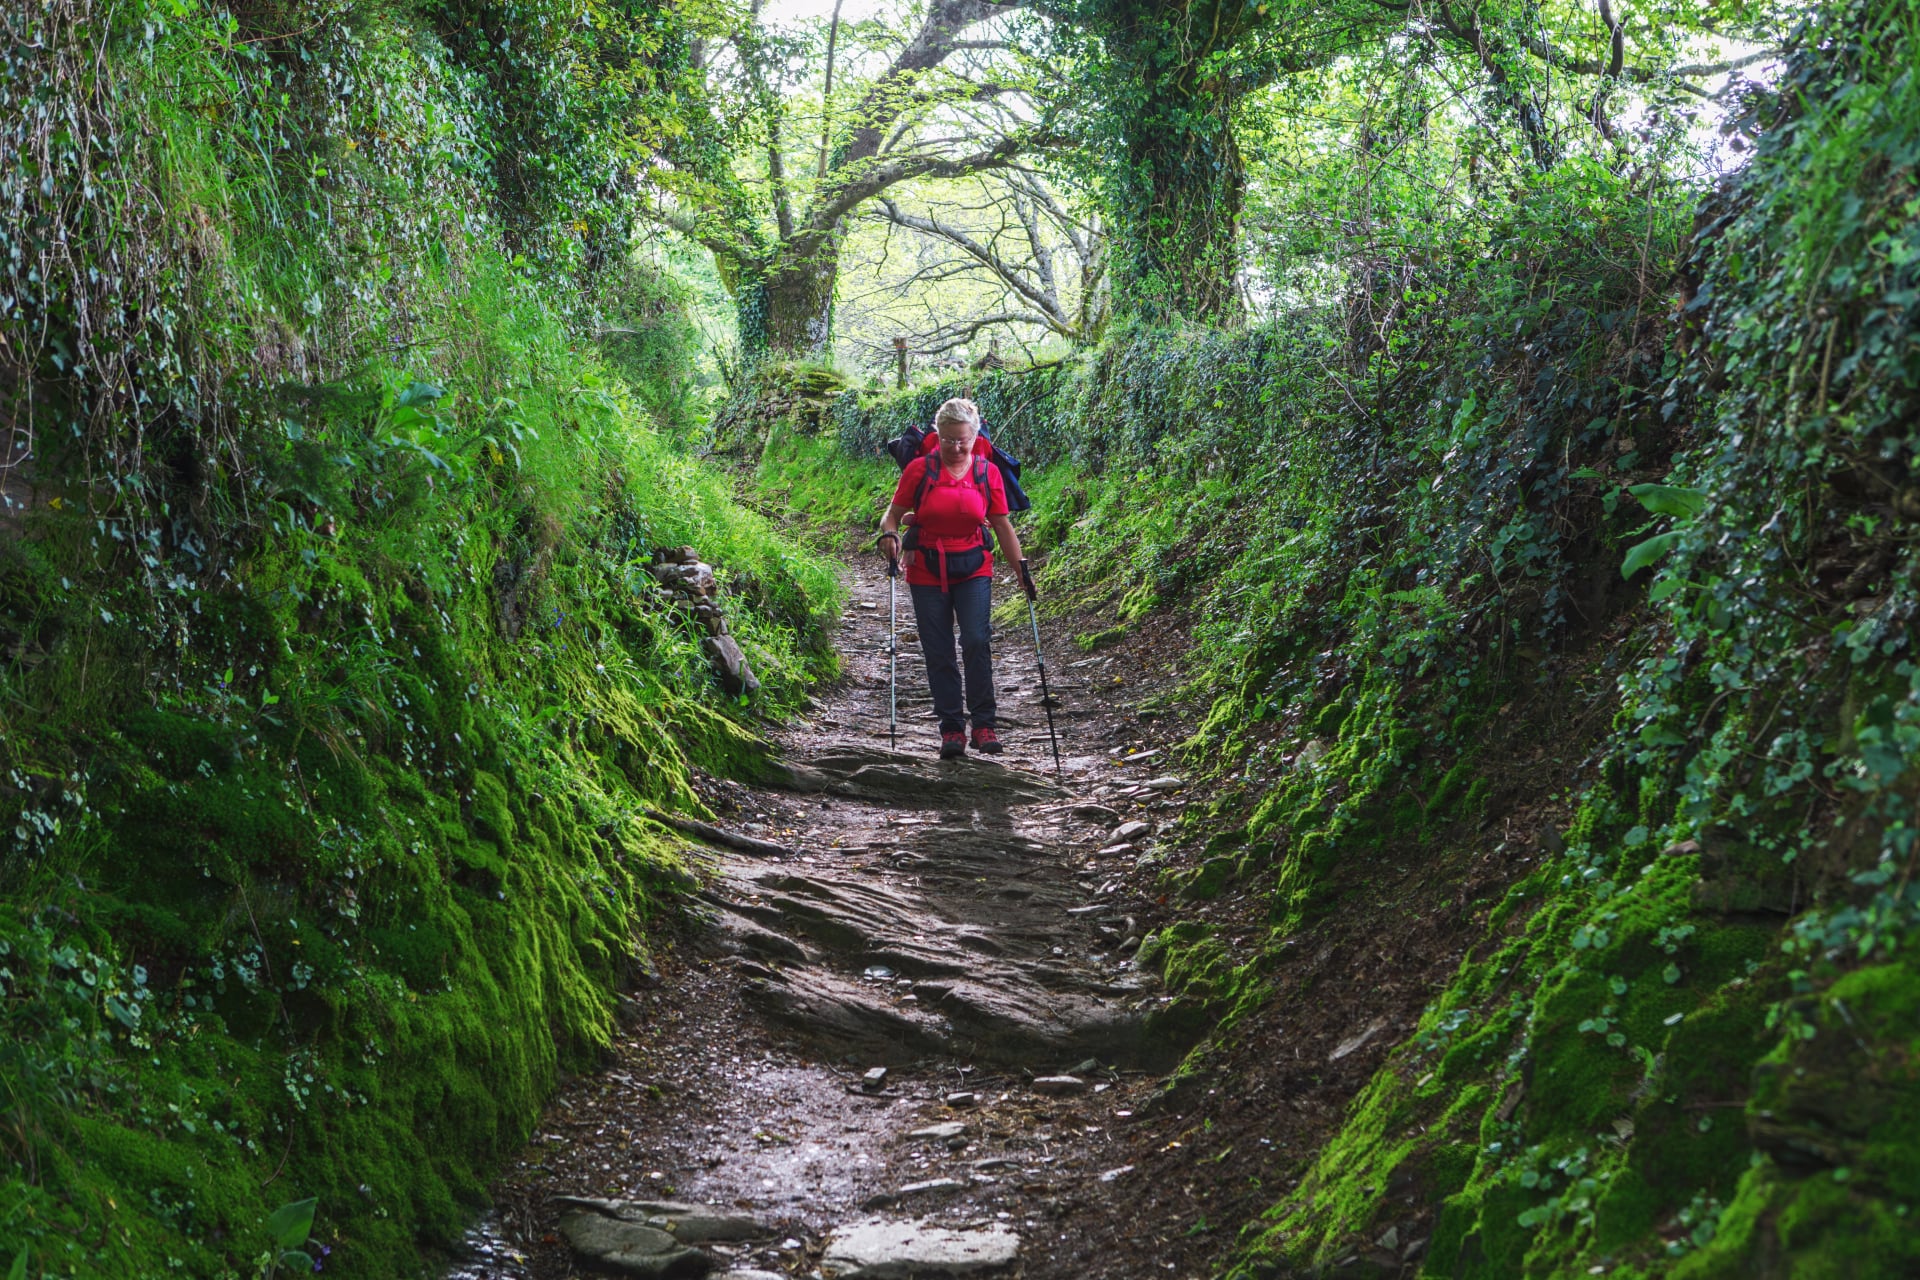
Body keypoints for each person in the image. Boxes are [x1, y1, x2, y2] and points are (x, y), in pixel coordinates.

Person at [877, 398, 1037, 760]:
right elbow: (892, 515)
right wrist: (889, 536)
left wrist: (1021, 569)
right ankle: (951, 730)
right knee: (939, 650)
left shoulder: (986, 473)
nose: (955, 447)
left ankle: (984, 725)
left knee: (977, 641)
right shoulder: (919, 470)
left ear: (974, 436)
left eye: (963, 440)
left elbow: (1001, 525)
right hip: (926, 568)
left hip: (974, 566)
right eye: (948, 439)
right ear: (939, 435)